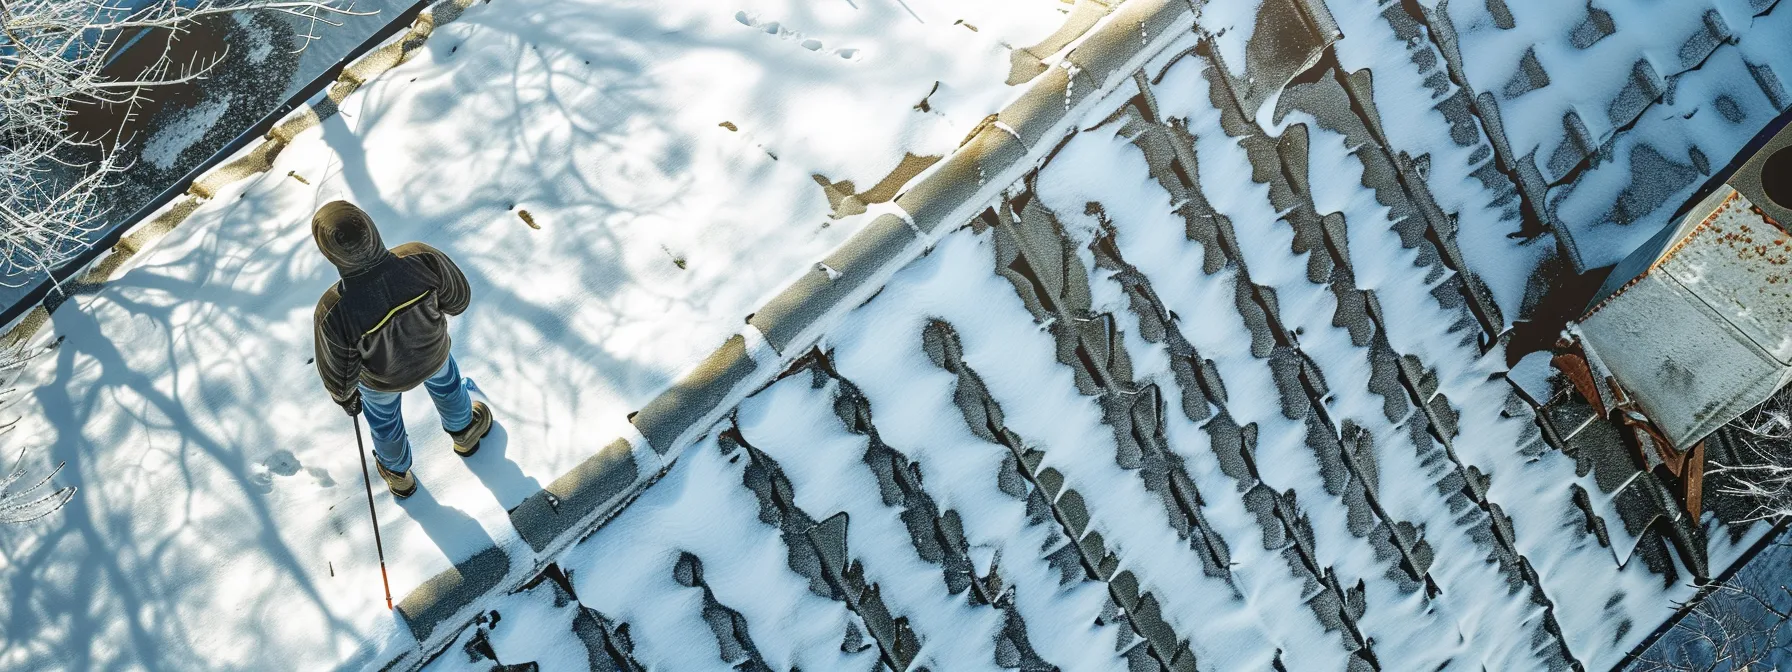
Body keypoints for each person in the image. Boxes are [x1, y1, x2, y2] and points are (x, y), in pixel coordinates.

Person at [311, 201, 492, 498]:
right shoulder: (420, 257)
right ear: (369, 225)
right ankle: (465, 433)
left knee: (385, 423)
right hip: (434, 354)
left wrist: (345, 398)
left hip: (382, 382)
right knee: (449, 388)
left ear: (328, 251)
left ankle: (398, 476)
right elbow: (458, 300)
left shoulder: (334, 310)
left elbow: (339, 373)